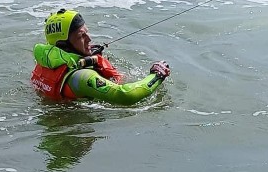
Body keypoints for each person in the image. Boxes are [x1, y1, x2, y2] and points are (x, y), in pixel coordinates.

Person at [31, 9, 170, 105]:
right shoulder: (82, 78)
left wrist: (84, 56)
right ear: (64, 44)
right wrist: (157, 75)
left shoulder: (46, 61)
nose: (89, 39)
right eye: (81, 36)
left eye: (87, 32)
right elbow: (126, 96)